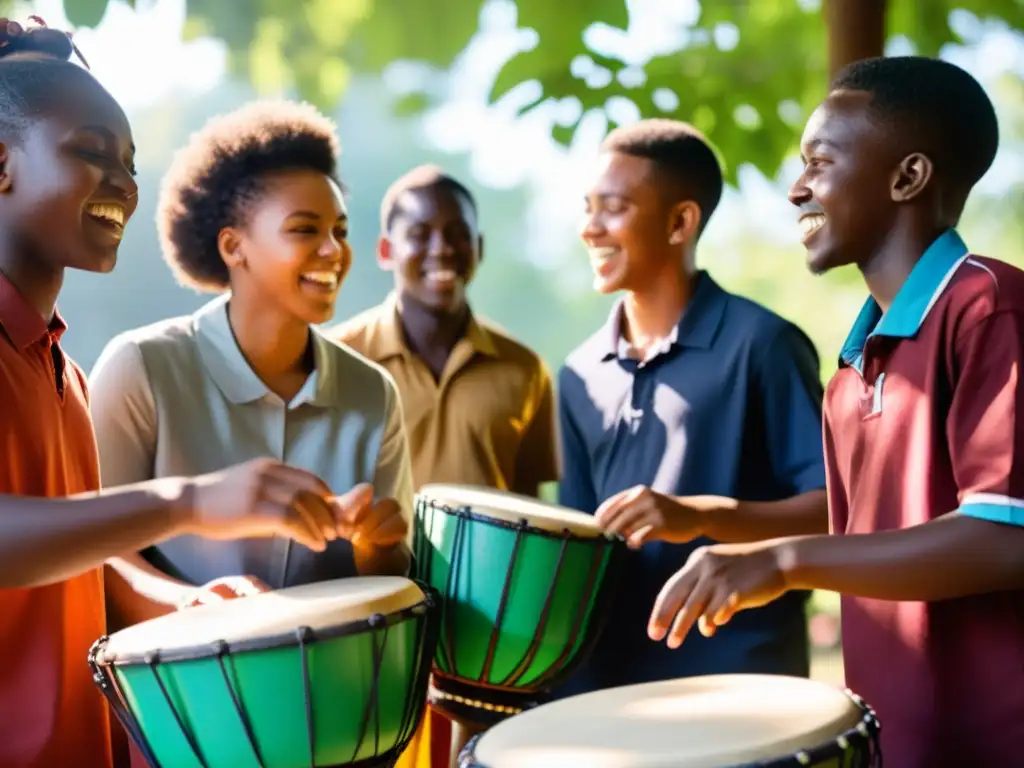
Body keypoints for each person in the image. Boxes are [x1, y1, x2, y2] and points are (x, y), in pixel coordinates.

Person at [0, 19, 373, 768]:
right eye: (91, 152)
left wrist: (182, 605)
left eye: (130, 163)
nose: (124, 183)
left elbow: (74, 556)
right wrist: (191, 500)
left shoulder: (62, 370)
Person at [647, 56, 1024, 767]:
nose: (796, 190)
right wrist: (716, 526)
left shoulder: (989, 308)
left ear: (907, 177)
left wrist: (786, 563)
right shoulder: (850, 371)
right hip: (892, 745)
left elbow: (1005, 537)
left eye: (819, 162)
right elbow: (862, 535)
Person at [556, 118, 829, 697]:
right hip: (608, 692)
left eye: (613, 208)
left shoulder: (764, 345)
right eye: (587, 208)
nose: (590, 228)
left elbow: (836, 512)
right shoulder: (578, 373)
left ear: (681, 221)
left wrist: (698, 516)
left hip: (745, 683)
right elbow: (578, 547)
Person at [331, 164, 559, 766]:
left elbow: (531, 503)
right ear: (385, 249)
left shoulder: (524, 368)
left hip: (489, 637)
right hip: (368, 625)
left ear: (479, 247)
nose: (442, 248)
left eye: (458, 233)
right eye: (421, 232)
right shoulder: (336, 360)